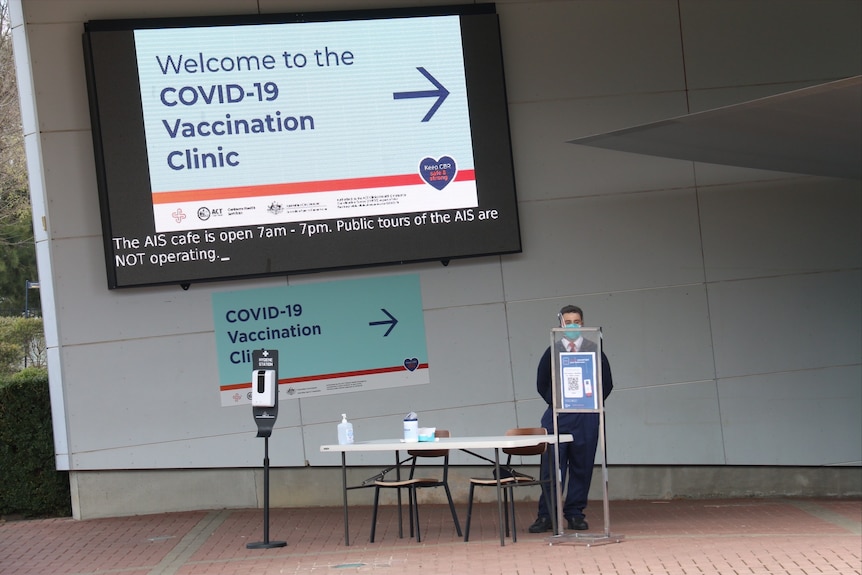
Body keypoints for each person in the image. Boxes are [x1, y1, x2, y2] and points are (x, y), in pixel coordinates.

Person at [528, 304, 613, 533]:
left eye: (577, 321)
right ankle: (547, 515)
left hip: (586, 417)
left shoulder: (594, 350)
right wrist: (558, 403)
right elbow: (541, 383)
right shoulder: (552, 351)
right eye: (568, 322)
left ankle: (575, 514)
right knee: (551, 468)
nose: (573, 325)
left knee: (581, 467)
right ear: (560, 325)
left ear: (582, 324)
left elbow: (606, 383)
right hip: (558, 417)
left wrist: (589, 403)